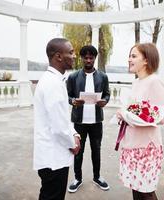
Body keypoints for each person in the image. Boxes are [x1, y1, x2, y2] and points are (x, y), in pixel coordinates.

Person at [117, 43, 164, 200]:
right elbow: (136, 110)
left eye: (134, 56)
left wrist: (127, 115)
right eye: (130, 56)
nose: (129, 59)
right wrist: (123, 116)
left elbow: (161, 117)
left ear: (146, 60)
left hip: (146, 148)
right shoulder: (136, 82)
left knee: (146, 192)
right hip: (131, 144)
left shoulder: (155, 82)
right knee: (136, 189)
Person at [33, 38, 81, 200]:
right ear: (59, 56)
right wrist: (73, 143)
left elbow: (62, 117)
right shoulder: (52, 83)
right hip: (53, 158)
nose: (74, 56)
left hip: (52, 154)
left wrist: (74, 133)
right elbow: (59, 126)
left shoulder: (53, 80)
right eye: (71, 52)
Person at [66, 45, 110, 193]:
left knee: (96, 150)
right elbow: (67, 96)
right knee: (78, 150)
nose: (88, 60)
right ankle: (77, 178)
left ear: (95, 59)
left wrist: (105, 101)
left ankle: (97, 177)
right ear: (82, 58)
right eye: (86, 57)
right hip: (79, 121)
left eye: (91, 57)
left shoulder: (103, 77)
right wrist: (73, 101)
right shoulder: (73, 77)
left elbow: (107, 94)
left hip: (96, 121)